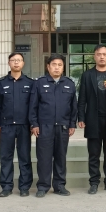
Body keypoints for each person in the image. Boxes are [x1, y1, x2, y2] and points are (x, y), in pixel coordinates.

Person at [29, 54, 77, 197]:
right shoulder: (39, 83)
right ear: (48, 67)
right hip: (44, 127)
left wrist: (72, 124)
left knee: (61, 157)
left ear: (63, 67)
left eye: (60, 65)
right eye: (54, 64)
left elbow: (73, 107)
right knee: (44, 158)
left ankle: (59, 186)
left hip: (63, 126)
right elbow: (33, 106)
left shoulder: (69, 84)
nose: (57, 67)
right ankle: (43, 186)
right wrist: (34, 124)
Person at [77, 44, 106, 194]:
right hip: (93, 119)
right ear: (94, 56)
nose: (102, 57)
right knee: (94, 153)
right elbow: (82, 98)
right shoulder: (87, 75)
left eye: (104, 54)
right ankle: (94, 182)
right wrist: (81, 117)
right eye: (99, 54)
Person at [0, 52, 35, 197]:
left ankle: (24, 187)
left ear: (23, 63)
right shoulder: (1, 83)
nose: (16, 62)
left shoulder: (30, 83)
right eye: (13, 60)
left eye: (19, 60)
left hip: (24, 126)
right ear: (9, 63)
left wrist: (33, 124)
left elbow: (33, 106)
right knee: (6, 158)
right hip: (6, 125)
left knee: (25, 157)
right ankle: (6, 187)